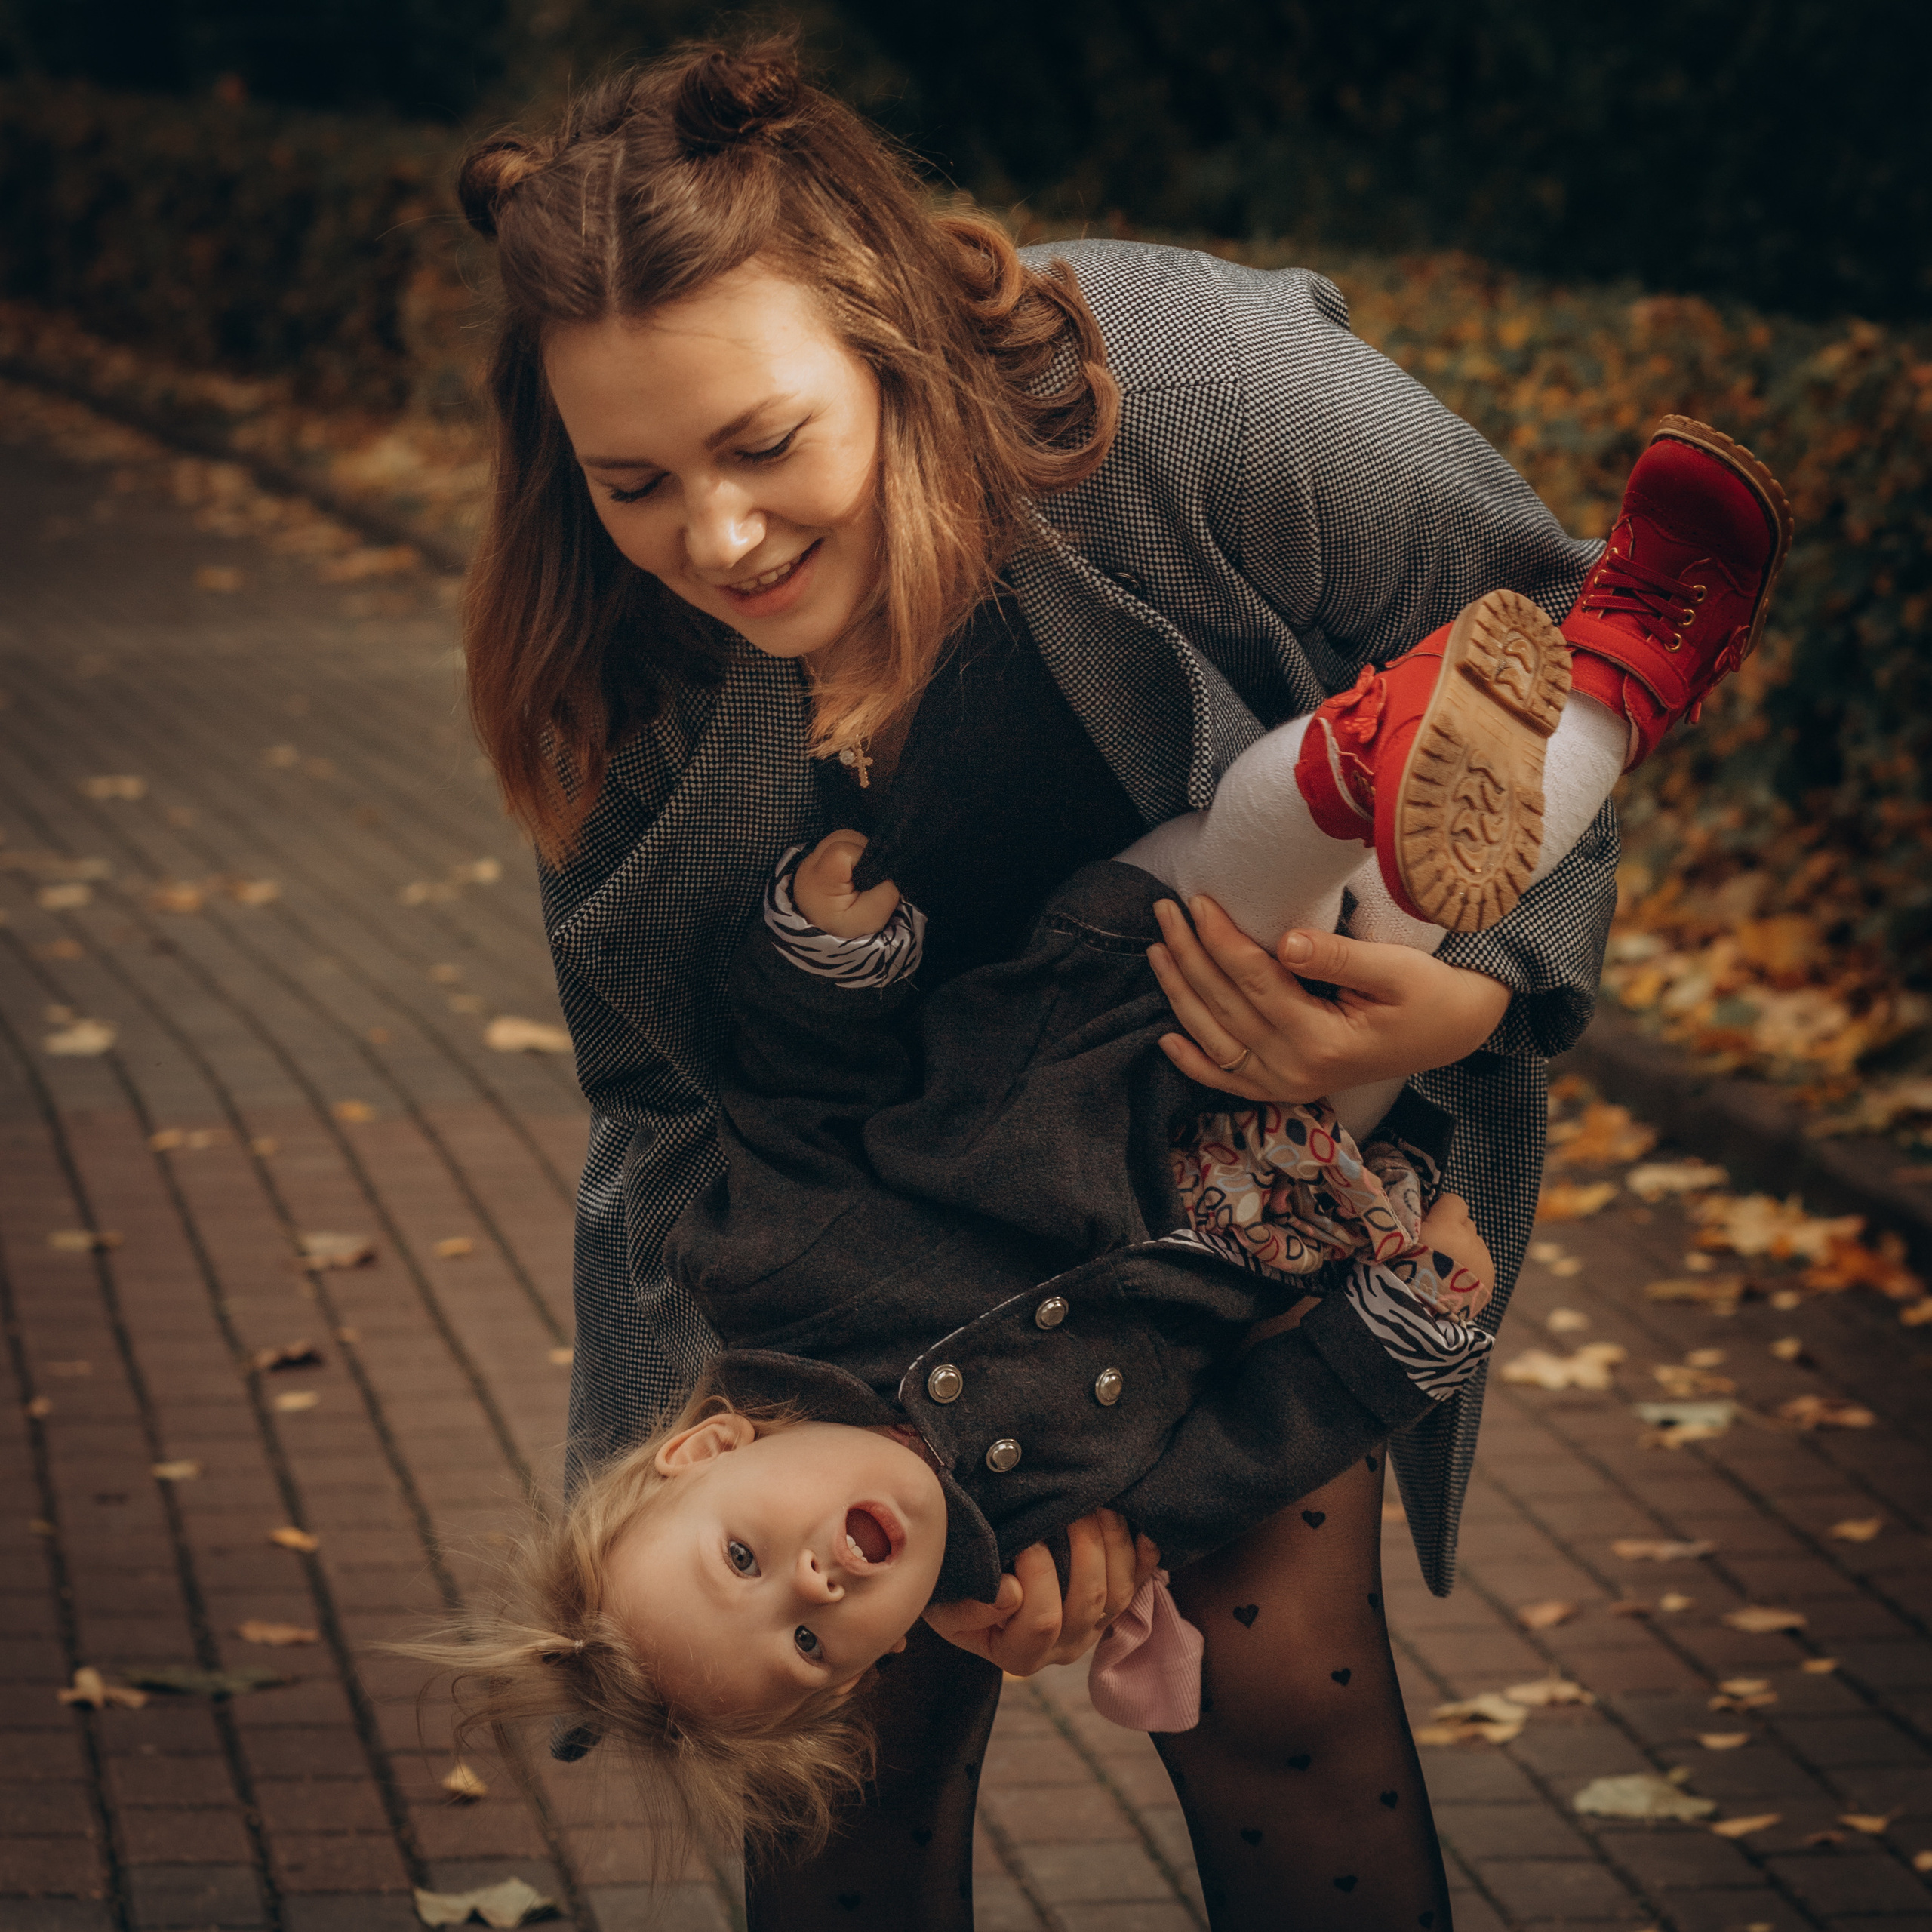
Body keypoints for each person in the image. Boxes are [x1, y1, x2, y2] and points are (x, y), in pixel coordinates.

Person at [451, 35, 1790, 1930]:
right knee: (834, 1732)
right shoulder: (613, 675)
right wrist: (671, 1547)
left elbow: (1546, 612)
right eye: (635, 481)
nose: (717, 537)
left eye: (762, 444)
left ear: (892, 344)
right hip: (856, 1212)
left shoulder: (1202, 390)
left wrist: (1476, 987)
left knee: (1277, 1690)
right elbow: (667, 1102)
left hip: (1222, 1160)